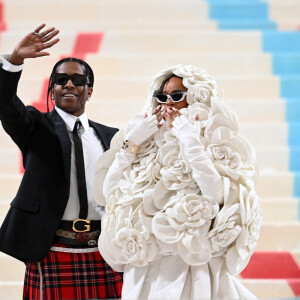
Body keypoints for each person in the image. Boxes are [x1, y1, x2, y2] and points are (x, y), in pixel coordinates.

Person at [94, 64, 262, 299]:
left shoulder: (213, 139)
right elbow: (108, 189)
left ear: (194, 98)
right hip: (145, 265)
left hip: (191, 264)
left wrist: (189, 140)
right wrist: (132, 143)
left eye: (177, 96)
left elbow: (215, 193)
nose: (168, 104)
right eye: (162, 97)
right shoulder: (145, 143)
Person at [0, 24, 122, 300]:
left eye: (78, 80)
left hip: (103, 249)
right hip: (51, 248)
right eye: (61, 80)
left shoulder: (112, 137)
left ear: (89, 91)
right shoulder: (34, 126)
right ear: (52, 90)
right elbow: (4, 103)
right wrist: (16, 59)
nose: (69, 84)